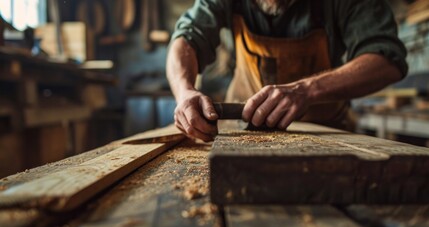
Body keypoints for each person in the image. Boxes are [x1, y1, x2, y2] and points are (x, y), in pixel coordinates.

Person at [166, 0, 408, 142]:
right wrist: (184, 91)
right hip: (240, 135)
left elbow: (386, 59)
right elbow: (186, 38)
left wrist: (306, 90)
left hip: (326, 134)